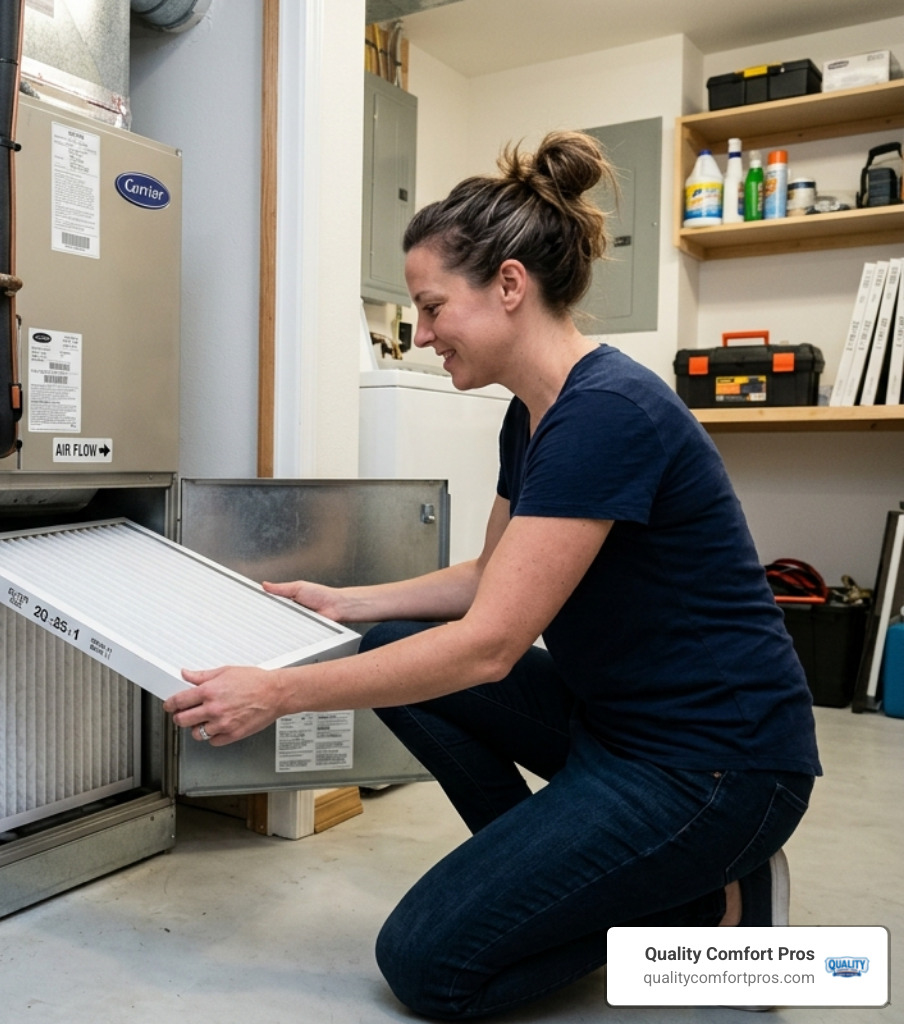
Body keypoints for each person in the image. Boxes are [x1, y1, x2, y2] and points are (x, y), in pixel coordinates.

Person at [163, 130, 820, 1020]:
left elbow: (489, 647)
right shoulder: (534, 414)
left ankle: (708, 908)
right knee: (385, 642)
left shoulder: (607, 414)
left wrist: (278, 693)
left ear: (510, 285)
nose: (424, 333)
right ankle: (583, 874)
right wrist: (342, 602)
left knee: (426, 965)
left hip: (715, 768)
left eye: (434, 307)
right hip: (615, 727)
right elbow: (487, 577)